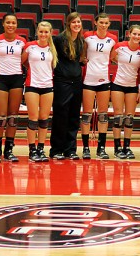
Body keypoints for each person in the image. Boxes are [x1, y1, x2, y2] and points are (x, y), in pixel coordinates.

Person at [0, 14, 26, 163]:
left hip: (16, 78)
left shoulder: (22, 41)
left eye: (13, 23)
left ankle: (9, 150)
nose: (11, 25)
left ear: (16, 25)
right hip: (0, 79)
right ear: (3, 24)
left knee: (13, 117)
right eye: (8, 22)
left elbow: (24, 60)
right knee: (1, 117)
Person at [81, 13, 117, 160]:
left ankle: (101, 148)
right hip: (88, 79)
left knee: (103, 114)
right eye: (101, 22)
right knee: (87, 115)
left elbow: (113, 57)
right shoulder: (87, 36)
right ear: (95, 23)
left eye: (106, 23)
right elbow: (82, 55)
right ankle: (85, 148)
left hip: (103, 80)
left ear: (109, 24)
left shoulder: (113, 39)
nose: (103, 25)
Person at [49, 12, 84, 160]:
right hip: (62, 82)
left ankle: (70, 149)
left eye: (79, 22)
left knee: (74, 117)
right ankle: (56, 150)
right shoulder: (59, 40)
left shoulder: (81, 41)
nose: (77, 24)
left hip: (76, 82)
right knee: (60, 116)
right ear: (68, 24)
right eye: (74, 22)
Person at [21, 21, 58, 162]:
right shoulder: (30, 46)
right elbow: (22, 61)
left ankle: (41, 149)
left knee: (44, 120)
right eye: (41, 32)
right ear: (37, 32)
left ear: (50, 33)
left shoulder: (52, 49)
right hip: (32, 85)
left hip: (48, 86)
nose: (43, 34)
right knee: (33, 119)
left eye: (46, 32)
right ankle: (32, 150)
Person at [110, 25, 140, 159]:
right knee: (118, 117)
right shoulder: (120, 46)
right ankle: (117, 147)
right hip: (118, 84)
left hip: (132, 86)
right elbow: (111, 59)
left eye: (139, 35)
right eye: (134, 34)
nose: (136, 37)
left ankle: (127, 147)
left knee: (129, 118)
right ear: (129, 34)